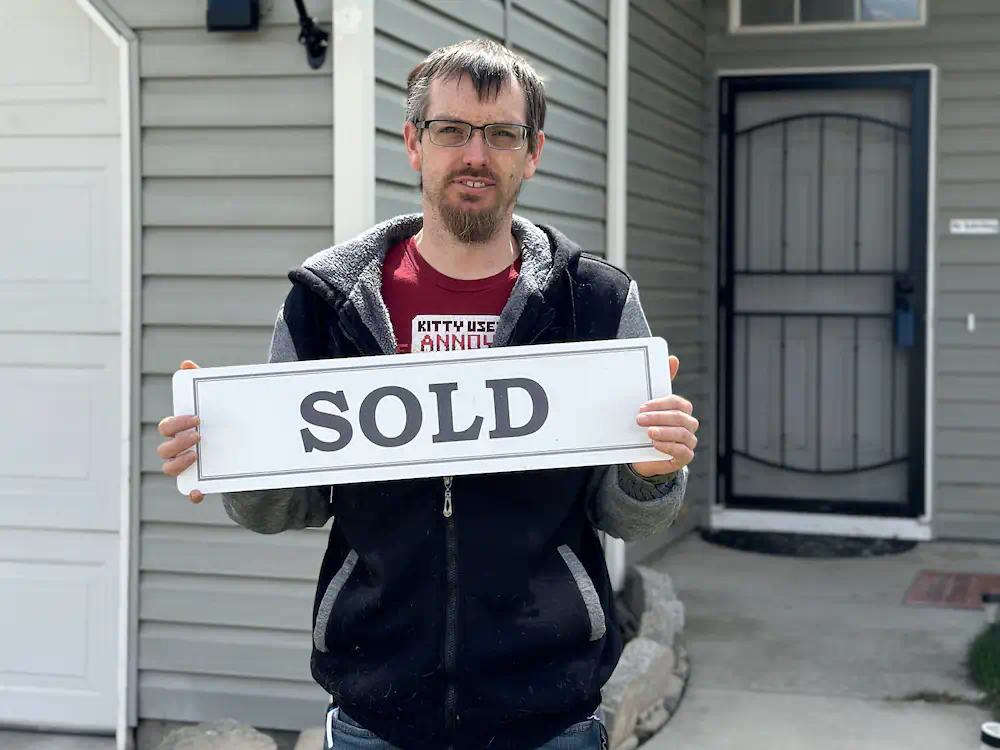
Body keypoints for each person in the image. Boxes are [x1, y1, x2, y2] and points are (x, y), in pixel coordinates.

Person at [157, 39, 698, 750]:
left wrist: (652, 472)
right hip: (375, 710)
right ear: (414, 143)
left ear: (531, 153)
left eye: (502, 133)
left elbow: (626, 514)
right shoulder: (328, 306)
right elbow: (288, 505)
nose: (475, 154)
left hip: (550, 713)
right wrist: (231, 458)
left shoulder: (594, 304)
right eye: (451, 130)